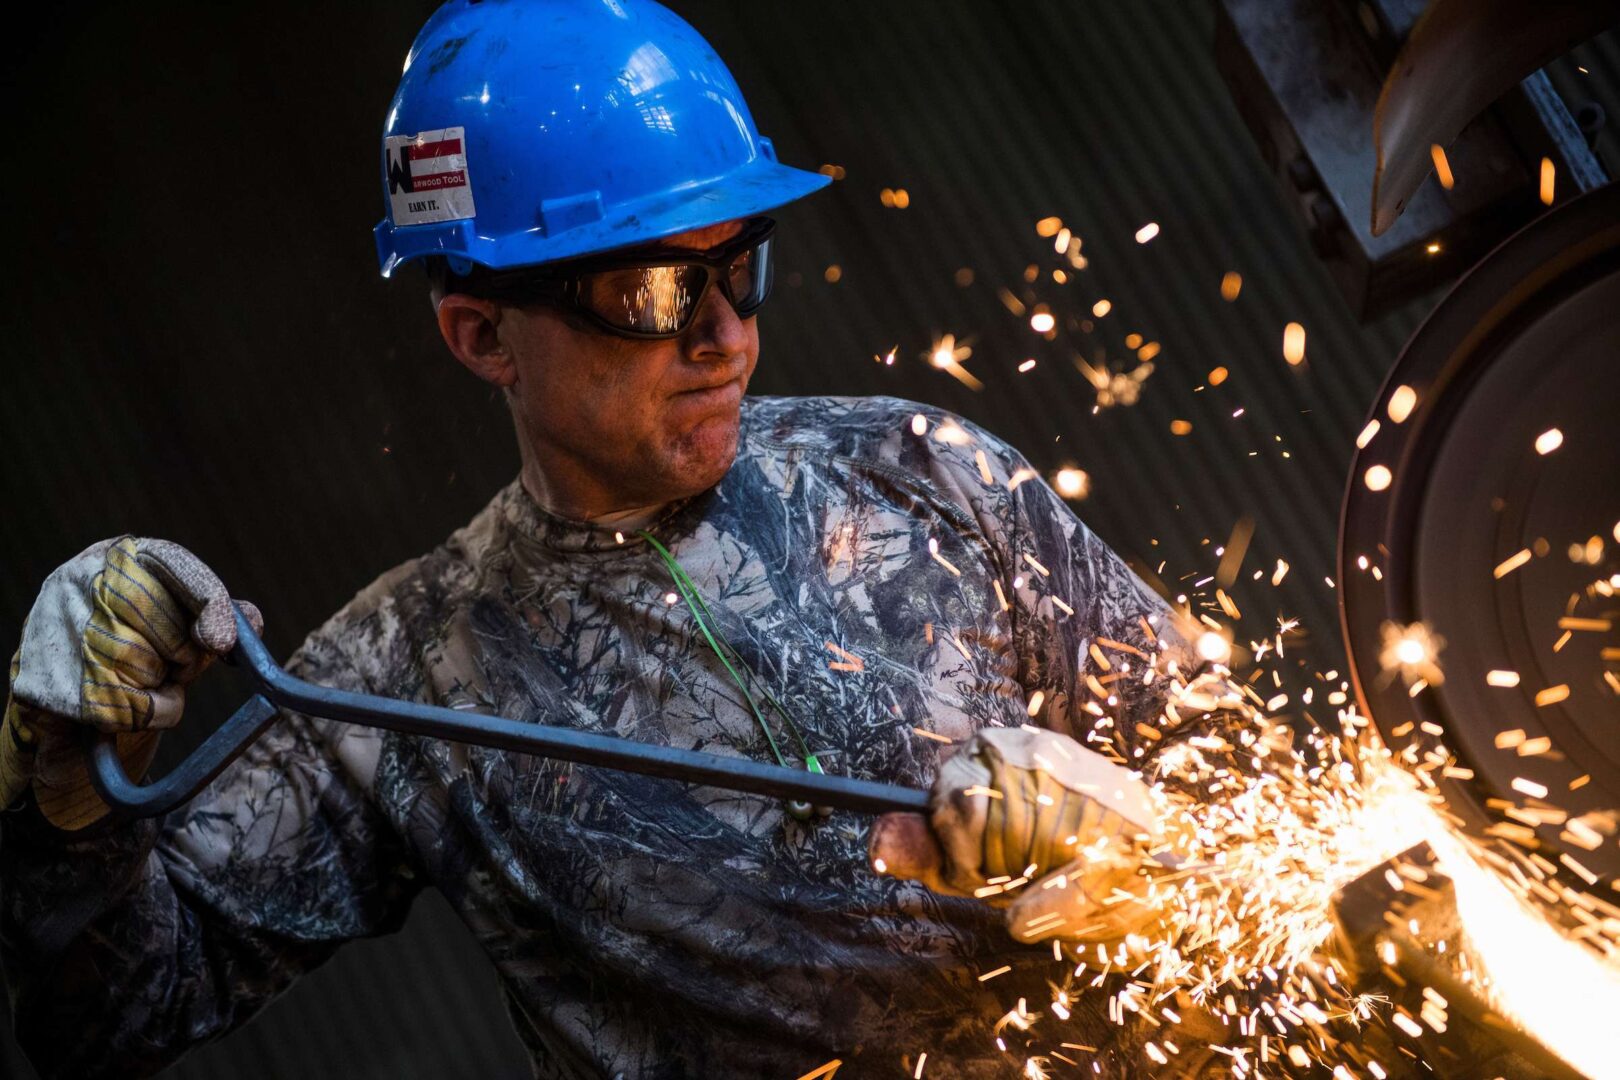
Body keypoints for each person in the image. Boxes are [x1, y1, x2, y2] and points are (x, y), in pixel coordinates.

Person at [0, 2, 1246, 1076]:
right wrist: (63, 802)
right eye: (654, 291)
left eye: (740, 266)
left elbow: (1260, 791)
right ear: (484, 336)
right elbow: (110, 1022)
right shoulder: (400, 680)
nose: (726, 338)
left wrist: (1137, 841)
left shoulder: (921, 472)